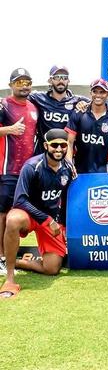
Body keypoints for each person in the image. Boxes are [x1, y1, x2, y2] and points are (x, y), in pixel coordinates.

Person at [0, 129, 74, 298]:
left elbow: (66, 199)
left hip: (51, 220)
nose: (59, 149)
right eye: (54, 145)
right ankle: (10, 278)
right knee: (13, 220)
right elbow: (19, 200)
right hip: (29, 215)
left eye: (63, 145)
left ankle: (15, 262)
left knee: (52, 269)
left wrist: (62, 226)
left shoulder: (68, 168)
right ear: (46, 145)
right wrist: (47, 220)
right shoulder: (32, 166)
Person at [0, 68, 39, 272]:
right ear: (11, 85)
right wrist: (9, 130)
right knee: (3, 214)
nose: (23, 85)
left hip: (28, 170)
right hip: (8, 169)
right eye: (19, 82)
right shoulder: (4, 105)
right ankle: (1, 257)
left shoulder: (33, 106)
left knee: (20, 215)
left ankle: (11, 257)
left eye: (27, 82)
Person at [65, 79, 108, 174]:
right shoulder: (79, 112)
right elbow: (69, 142)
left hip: (104, 171)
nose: (98, 95)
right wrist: (70, 165)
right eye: (95, 91)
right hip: (79, 171)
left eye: (102, 92)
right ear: (90, 93)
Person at [29, 65, 88, 154]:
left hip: (65, 154)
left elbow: (101, 103)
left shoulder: (77, 101)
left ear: (68, 80)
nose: (61, 81)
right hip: (42, 154)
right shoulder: (39, 98)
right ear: (50, 80)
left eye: (64, 78)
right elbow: (17, 98)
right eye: (57, 77)